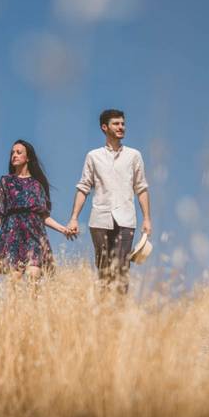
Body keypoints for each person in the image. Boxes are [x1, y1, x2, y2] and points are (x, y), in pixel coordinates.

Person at [67, 109, 151, 294]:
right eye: (116, 123)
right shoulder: (93, 156)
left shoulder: (134, 156)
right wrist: (74, 218)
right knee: (104, 270)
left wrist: (146, 219)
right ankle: (104, 313)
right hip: (100, 220)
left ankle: (119, 315)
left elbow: (141, 188)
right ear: (105, 127)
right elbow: (83, 187)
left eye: (123, 123)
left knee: (121, 269)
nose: (121, 127)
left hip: (126, 220)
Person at [0, 139, 75, 281]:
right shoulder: (5, 182)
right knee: (15, 280)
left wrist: (63, 229)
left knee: (34, 276)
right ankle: (15, 304)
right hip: (12, 234)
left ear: (28, 158)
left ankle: (33, 303)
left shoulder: (37, 185)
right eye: (12, 153)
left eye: (19, 152)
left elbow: (43, 217)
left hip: (35, 235)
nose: (14, 155)